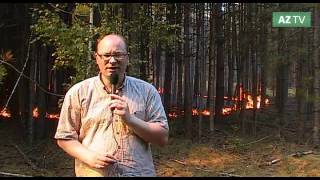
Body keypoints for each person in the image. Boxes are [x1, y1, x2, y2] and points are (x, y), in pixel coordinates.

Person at [54, 34, 169, 177]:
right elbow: (65, 137)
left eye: (118, 55)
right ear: (97, 58)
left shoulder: (147, 91)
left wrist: (130, 120)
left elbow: (162, 138)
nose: (112, 60)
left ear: (127, 58)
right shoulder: (79, 92)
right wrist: (88, 156)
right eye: (106, 55)